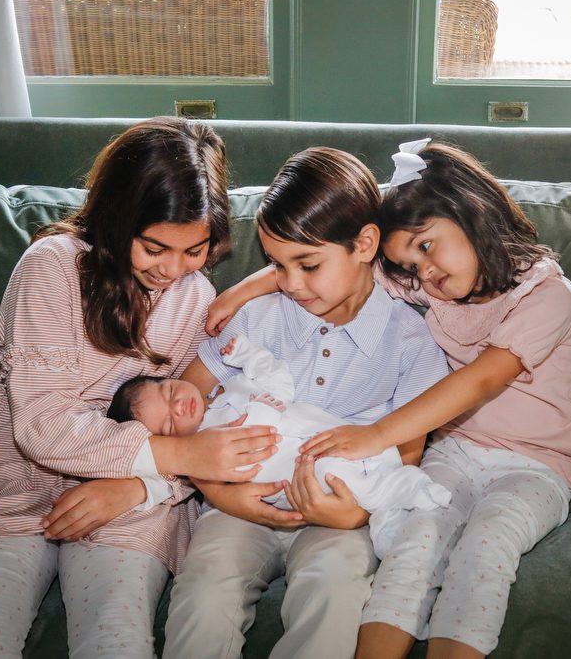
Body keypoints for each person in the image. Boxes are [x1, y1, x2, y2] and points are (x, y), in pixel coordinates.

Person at [217, 138, 571, 658]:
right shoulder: (435, 284)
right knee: (414, 543)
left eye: (426, 247)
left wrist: (377, 434)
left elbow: (482, 380)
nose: (425, 275)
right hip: (453, 454)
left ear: (473, 211)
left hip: (538, 464)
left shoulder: (547, 296)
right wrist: (239, 293)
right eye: (412, 266)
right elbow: (331, 256)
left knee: (484, 549)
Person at [0, 117, 280, 659]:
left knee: (117, 642)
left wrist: (139, 487)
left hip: (140, 494)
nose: (173, 269)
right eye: (155, 248)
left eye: (194, 250)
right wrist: (178, 454)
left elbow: (193, 420)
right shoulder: (53, 267)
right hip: (12, 475)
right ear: (117, 219)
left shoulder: (195, 298)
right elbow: (40, 425)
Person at [161, 147, 450, 659]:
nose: (291, 283)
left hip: (336, 515)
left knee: (336, 595)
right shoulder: (257, 319)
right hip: (237, 506)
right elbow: (178, 409)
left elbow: (405, 459)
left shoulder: (411, 340)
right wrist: (213, 488)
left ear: (365, 244)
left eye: (308, 265)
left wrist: (354, 517)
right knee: (204, 595)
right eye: (277, 265)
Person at [107, 336, 450, 557]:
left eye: (169, 392)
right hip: (307, 477)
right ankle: (400, 504)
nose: (179, 406)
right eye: (169, 423)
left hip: (336, 435)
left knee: (371, 454)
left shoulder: (234, 386)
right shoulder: (204, 452)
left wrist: (246, 353)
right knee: (338, 477)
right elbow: (238, 478)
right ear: (172, 441)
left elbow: (279, 379)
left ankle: (399, 491)